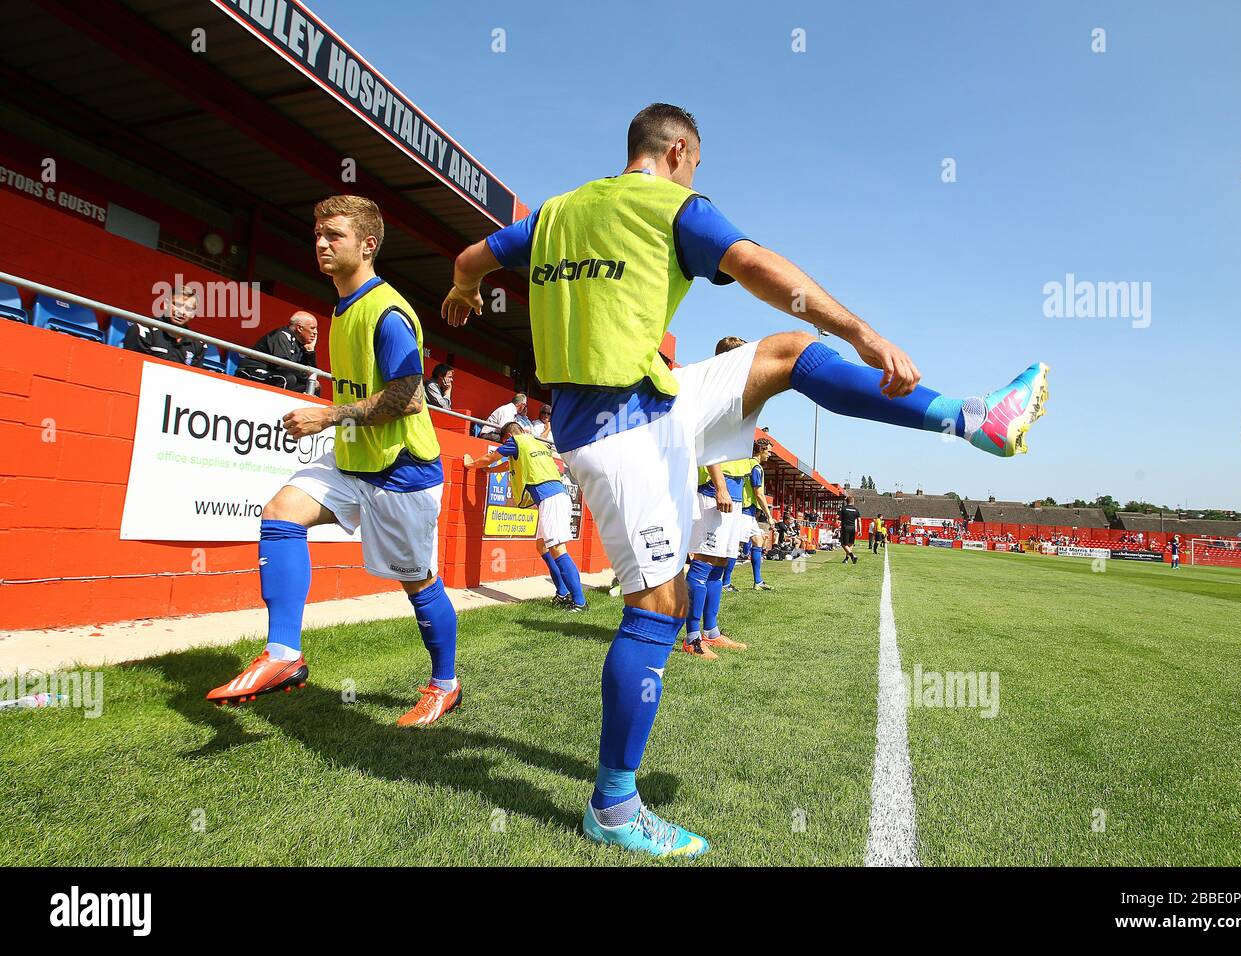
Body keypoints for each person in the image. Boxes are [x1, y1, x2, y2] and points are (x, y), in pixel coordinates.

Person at [442, 103, 1049, 859]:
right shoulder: (673, 204)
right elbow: (761, 267)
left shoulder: (556, 214)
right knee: (656, 605)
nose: (698, 174)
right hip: (620, 428)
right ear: (680, 151)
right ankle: (614, 806)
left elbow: (471, 259)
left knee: (788, 353)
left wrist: (466, 292)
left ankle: (971, 418)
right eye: (696, 163)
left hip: (647, 396)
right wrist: (863, 332)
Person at [206, 195, 460, 728]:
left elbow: (410, 398)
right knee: (280, 512)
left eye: (334, 234)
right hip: (352, 460)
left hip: (403, 471)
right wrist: (336, 425)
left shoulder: (386, 312)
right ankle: (283, 656)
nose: (320, 242)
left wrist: (326, 418)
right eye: (317, 232)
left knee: (419, 584)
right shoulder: (340, 308)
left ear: (367, 246)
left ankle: (444, 685)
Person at [463, 421, 588, 611]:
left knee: (557, 548)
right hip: (554, 497)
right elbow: (508, 466)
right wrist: (489, 471)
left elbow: (491, 457)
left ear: (509, 437)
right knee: (542, 546)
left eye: (504, 442)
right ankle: (562, 593)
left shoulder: (516, 442)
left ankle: (579, 602)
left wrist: (471, 464)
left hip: (551, 498)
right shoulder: (535, 443)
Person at [680, 459, 747, 658]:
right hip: (714, 490)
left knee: (719, 566)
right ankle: (692, 638)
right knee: (704, 562)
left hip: (734, 493)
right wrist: (720, 486)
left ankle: (711, 632)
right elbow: (712, 445)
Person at [235, 312, 319, 393]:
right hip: (252, 371)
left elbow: (311, 373)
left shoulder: (302, 344)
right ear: (299, 328)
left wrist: (310, 351)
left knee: (314, 388)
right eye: (312, 328)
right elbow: (282, 366)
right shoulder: (282, 335)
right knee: (288, 378)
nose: (316, 332)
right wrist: (305, 378)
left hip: (274, 374)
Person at [124, 282, 201, 367]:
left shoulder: (198, 343)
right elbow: (130, 367)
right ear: (166, 304)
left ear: (194, 313)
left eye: (188, 308)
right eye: (177, 305)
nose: (181, 312)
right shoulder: (143, 330)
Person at [743, 440, 777, 590]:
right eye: (768, 451)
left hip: (747, 511)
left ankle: (758, 582)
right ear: (761, 450)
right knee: (733, 547)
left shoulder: (746, 464)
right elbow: (758, 493)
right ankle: (725, 583)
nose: (770, 454)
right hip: (744, 509)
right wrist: (769, 515)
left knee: (757, 541)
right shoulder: (756, 468)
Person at [838, 499, 861, 563]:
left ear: (846, 501)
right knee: (851, 544)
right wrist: (860, 530)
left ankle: (852, 556)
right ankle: (846, 559)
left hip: (845, 528)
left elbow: (839, 519)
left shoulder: (843, 509)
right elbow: (859, 520)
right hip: (853, 528)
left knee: (843, 544)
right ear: (853, 501)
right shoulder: (856, 509)